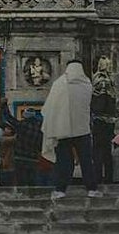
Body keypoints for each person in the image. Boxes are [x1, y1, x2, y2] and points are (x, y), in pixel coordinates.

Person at [41, 59, 101, 200]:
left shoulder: (59, 84)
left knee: (64, 161)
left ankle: (61, 189)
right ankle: (91, 188)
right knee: (86, 160)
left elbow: (51, 106)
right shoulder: (87, 85)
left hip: (63, 129)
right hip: (82, 129)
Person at [91, 56, 117, 186]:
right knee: (104, 151)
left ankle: (101, 177)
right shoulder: (100, 78)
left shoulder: (102, 78)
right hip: (104, 118)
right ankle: (104, 177)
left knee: (102, 151)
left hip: (102, 118)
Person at [13, 109, 43, 186]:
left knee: (21, 180)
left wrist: (4, 106)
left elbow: (9, 119)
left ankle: (22, 195)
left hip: (20, 156)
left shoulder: (22, 124)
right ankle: (32, 195)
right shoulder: (39, 127)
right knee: (32, 180)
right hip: (33, 158)